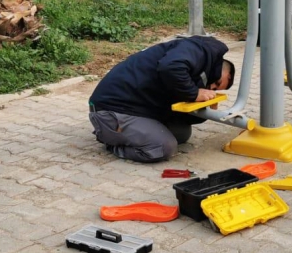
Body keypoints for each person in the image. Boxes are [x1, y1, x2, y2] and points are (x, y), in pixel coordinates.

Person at [88, 36, 235, 163]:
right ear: (223, 70)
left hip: (139, 107)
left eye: (215, 90)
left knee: (181, 134)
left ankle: (120, 134)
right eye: (216, 84)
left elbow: (183, 114)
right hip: (112, 109)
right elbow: (170, 67)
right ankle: (111, 142)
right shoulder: (199, 50)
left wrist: (206, 108)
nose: (211, 89)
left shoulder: (192, 75)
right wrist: (195, 93)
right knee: (163, 148)